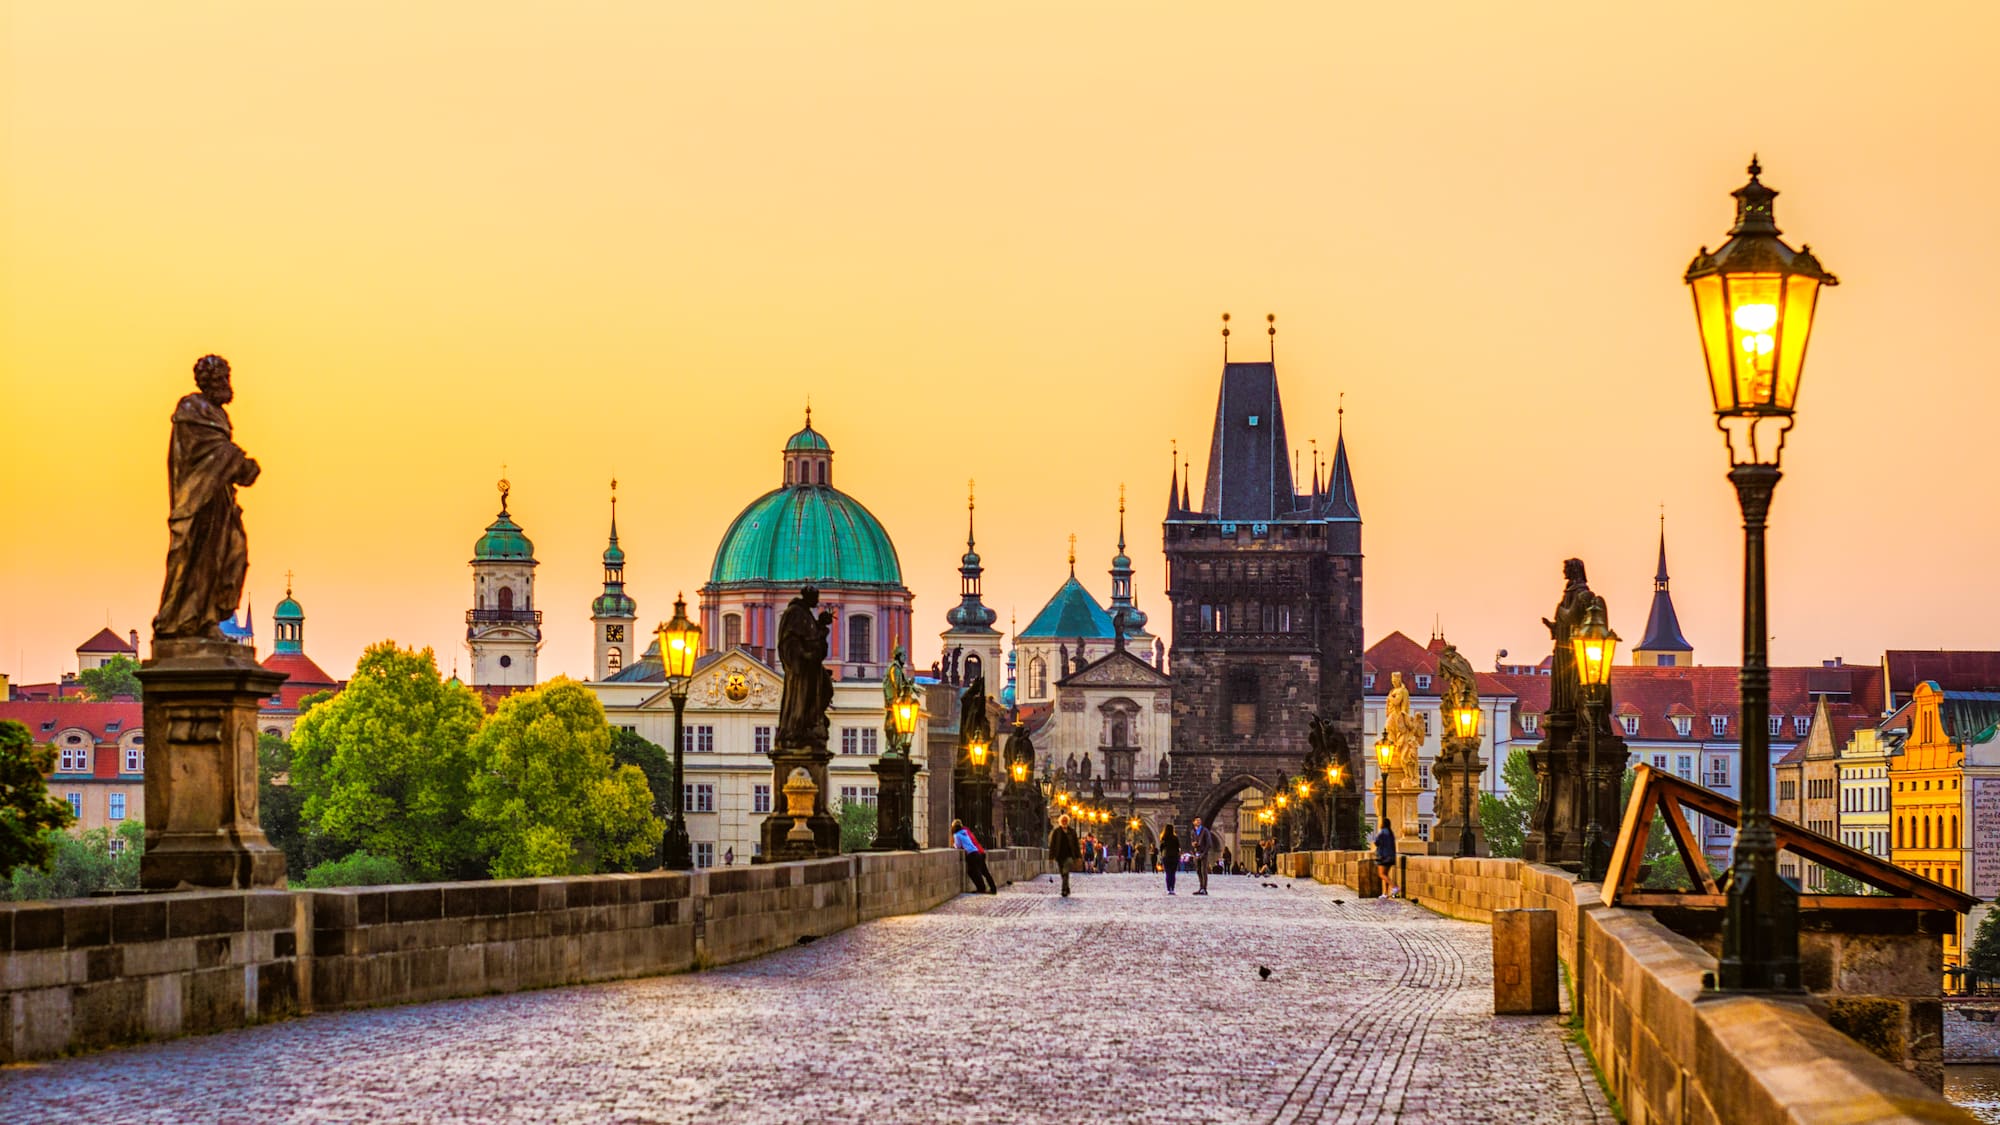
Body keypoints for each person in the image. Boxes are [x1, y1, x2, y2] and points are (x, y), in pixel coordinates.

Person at [952, 819, 997, 894]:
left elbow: (958, 846)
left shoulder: (957, 835)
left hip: (972, 854)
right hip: (978, 851)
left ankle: (981, 888)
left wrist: (954, 845)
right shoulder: (965, 832)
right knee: (984, 872)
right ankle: (993, 888)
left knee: (974, 872)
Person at [1049, 814, 1081, 897]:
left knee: (1065, 871)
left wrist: (1078, 857)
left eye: (1066, 821)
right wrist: (1051, 857)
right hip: (1059, 856)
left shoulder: (1072, 832)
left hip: (1069, 855)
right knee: (1063, 873)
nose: (1064, 822)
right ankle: (1067, 888)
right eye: (1063, 821)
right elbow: (1052, 845)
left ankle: (1063, 890)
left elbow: (1076, 845)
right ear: (1060, 822)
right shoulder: (1056, 832)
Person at [1372, 821, 1400, 898]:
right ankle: (1385, 893)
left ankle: (1394, 887)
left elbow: (1376, 842)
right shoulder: (1390, 833)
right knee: (1386, 875)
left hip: (1383, 856)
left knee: (1381, 874)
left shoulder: (1382, 832)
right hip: (1391, 856)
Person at [1190, 817, 1217, 895]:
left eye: (1199, 820)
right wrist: (1193, 845)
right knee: (1198, 871)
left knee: (1203, 871)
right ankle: (1201, 887)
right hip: (1196, 854)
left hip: (1203, 854)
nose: (1198, 822)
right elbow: (1192, 842)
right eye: (1197, 820)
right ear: (1193, 822)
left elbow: (1209, 843)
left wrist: (1204, 853)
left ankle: (1204, 889)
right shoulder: (1193, 832)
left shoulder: (1205, 831)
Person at [1159, 824, 1181, 895]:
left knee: (1168, 873)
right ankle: (1172, 889)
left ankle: (1169, 889)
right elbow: (1178, 847)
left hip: (1166, 857)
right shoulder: (1175, 838)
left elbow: (1161, 848)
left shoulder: (1163, 838)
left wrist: (1162, 855)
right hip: (1174, 857)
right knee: (1173, 873)